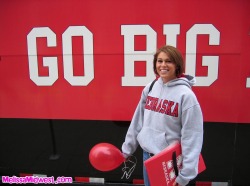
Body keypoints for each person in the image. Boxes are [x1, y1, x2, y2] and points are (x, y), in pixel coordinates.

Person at [121, 45, 203, 186]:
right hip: (148, 156)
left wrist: (186, 174)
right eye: (159, 61)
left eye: (168, 61)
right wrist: (127, 149)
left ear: (177, 65)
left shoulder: (186, 96)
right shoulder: (151, 87)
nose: (163, 65)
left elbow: (192, 135)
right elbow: (138, 121)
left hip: (170, 162)